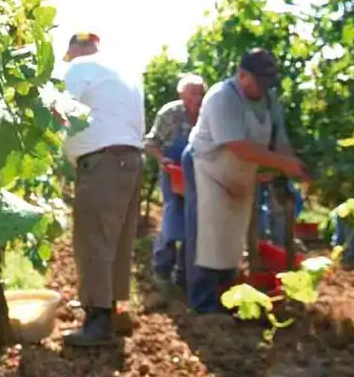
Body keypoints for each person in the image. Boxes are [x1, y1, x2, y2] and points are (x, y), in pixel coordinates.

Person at [181, 49, 308, 314]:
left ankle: (225, 294)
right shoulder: (222, 97)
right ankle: (202, 303)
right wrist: (283, 164)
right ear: (242, 75)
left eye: (267, 83)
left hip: (237, 174)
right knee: (207, 234)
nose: (263, 88)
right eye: (258, 81)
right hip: (206, 167)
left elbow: (280, 141)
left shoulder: (269, 100)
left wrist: (296, 167)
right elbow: (239, 146)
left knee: (231, 235)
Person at [59, 32, 145, 346]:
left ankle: (97, 320)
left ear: (77, 49)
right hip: (131, 160)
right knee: (118, 240)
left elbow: (58, 109)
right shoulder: (123, 72)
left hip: (103, 163)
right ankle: (112, 309)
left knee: (92, 239)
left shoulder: (80, 67)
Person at [143, 73, 206, 291]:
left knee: (194, 224)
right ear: (182, 95)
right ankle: (161, 269)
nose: (199, 98)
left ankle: (184, 274)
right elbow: (150, 143)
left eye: (201, 93)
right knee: (172, 218)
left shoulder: (208, 115)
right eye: (194, 93)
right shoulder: (170, 114)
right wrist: (162, 159)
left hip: (199, 176)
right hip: (174, 174)